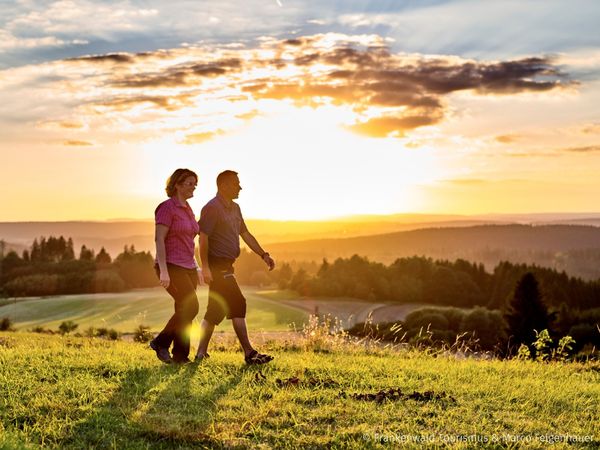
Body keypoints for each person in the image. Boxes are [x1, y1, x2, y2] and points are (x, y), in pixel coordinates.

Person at [195, 170, 275, 365]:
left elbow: (245, 234)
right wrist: (205, 267)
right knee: (238, 303)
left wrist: (264, 254)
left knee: (214, 310)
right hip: (217, 265)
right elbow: (203, 238)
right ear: (223, 186)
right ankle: (249, 353)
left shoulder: (236, 208)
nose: (240, 187)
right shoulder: (211, 208)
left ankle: (200, 354)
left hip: (228, 265)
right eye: (236, 184)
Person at [149, 168, 203, 364]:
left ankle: (181, 355)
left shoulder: (188, 209)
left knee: (184, 309)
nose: (194, 186)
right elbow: (159, 240)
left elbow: (189, 242)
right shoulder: (166, 208)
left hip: (188, 267)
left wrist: (196, 266)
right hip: (171, 266)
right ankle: (161, 342)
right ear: (177, 185)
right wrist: (163, 269)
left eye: (195, 183)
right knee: (191, 306)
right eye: (190, 183)